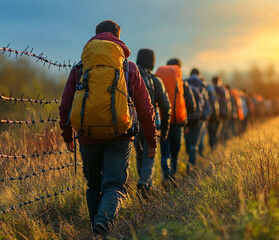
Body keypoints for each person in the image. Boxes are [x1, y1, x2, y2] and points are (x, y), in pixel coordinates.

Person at [59, 20, 157, 235]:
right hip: (119, 136)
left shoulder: (80, 67)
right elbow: (145, 108)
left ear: (96, 37)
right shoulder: (129, 68)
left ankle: (96, 228)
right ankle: (103, 222)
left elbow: (65, 105)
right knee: (114, 185)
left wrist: (68, 136)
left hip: (87, 136)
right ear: (118, 38)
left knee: (94, 185)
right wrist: (151, 141)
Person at [134, 49, 171, 197]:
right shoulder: (155, 80)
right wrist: (165, 129)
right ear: (152, 62)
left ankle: (145, 183)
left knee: (139, 154)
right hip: (151, 122)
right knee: (150, 154)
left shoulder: (132, 76)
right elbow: (166, 106)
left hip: (134, 123)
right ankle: (145, 183)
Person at [155, 58, 195, 186]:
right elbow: (191, 105)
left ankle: (166, 176)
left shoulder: (158, 81)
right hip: (178, 123)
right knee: (175, 155)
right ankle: (172, 177)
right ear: (178, 69)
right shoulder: (182, 84)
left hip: (163, 122)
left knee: (165, 153)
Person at [184, 68, 211, 175]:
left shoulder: (184, 82)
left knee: (187, 141)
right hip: (198, 119)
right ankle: (191, 166)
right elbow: (207, 105)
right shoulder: (202, 85)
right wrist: (204, 117)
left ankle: (187, 158)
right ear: (199, 75)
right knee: (194, 145)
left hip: (186, 118)